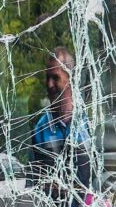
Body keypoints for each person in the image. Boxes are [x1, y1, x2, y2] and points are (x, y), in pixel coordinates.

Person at [26, 48, 98, 193]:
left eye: (55, 78)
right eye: (47, 78)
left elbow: (103, 174)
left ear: (70, 78)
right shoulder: (40, 129)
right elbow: (35, 183)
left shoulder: (91, 121)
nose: (49, 84)